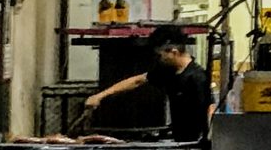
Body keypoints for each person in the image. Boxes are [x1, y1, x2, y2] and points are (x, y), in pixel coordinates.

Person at [84, 27, 213, 143]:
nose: (158, 59)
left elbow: (210, 108)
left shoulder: (197, 77)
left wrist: (208, 141)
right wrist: (100, 96)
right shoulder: (168, 72)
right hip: (179, 140)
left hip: (195, 143)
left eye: (160, 55)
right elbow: (137, 81)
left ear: (173, 52)